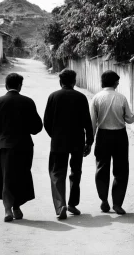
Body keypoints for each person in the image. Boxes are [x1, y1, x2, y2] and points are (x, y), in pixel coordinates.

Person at [0, 73, 43, 222]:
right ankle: (17, 207)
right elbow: (37, 127)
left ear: (6, 85)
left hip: (4, 146)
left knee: (6, 177)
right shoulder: (28, 102)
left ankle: (7, 210)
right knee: (21, 175)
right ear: (20, 86)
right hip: (24, 146)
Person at [44, 69, 94, 220]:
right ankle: (72, 204)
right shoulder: (81, 97)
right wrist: (89, 141)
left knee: (57, 173)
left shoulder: (53, 96)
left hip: (59, 141)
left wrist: (55, 135)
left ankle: (61, 206)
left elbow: (46, 122)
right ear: (74, 82)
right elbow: (87, 122)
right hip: (77, 141)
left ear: (60, 82)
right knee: (75, 172)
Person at [90, 70, 134, 215]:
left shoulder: (96, 98)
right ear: (115, 83)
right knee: (121, 170)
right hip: (120, 136)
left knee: (102, 168)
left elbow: (93, 123)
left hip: (102, 135)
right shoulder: (121, 98)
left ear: (102, 82)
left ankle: (103, 200)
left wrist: (89, 141)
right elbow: (130, 119)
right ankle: (117, 204)